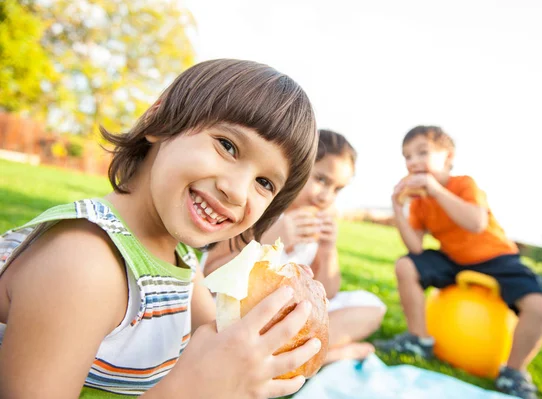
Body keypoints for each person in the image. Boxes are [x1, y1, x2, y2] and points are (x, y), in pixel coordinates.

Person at [0, 59, 323, 399]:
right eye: (227, 146)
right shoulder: (85, 263)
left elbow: (225, 340)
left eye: (264, 182)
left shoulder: (179, 259)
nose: (238, 191)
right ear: (159, 120)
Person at [375, 125, 542, 399]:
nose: (413, 162)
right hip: (455, 261)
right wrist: (398, 207)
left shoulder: (463, 184)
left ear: (447, 157)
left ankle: (513, 372)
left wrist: (436, 190)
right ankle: (418, 340)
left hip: (499, 259)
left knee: (540, 306)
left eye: (422, 152)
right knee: (406, 264)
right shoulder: (421, 202)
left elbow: (476, 222)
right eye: (407, 156)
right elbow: (415, 247)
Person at [204, 129, 386, 364]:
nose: (326, 196)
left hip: (288, 312)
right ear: (297, 168)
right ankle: (313, 357)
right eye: (321, 180)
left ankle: (294, 357)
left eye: (337, 189)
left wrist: (327, 249)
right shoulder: (261, 208)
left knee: (371, 307)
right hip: (246, 311)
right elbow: (211, 276)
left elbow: (327, 293)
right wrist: (267, 240)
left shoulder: (317, 221)